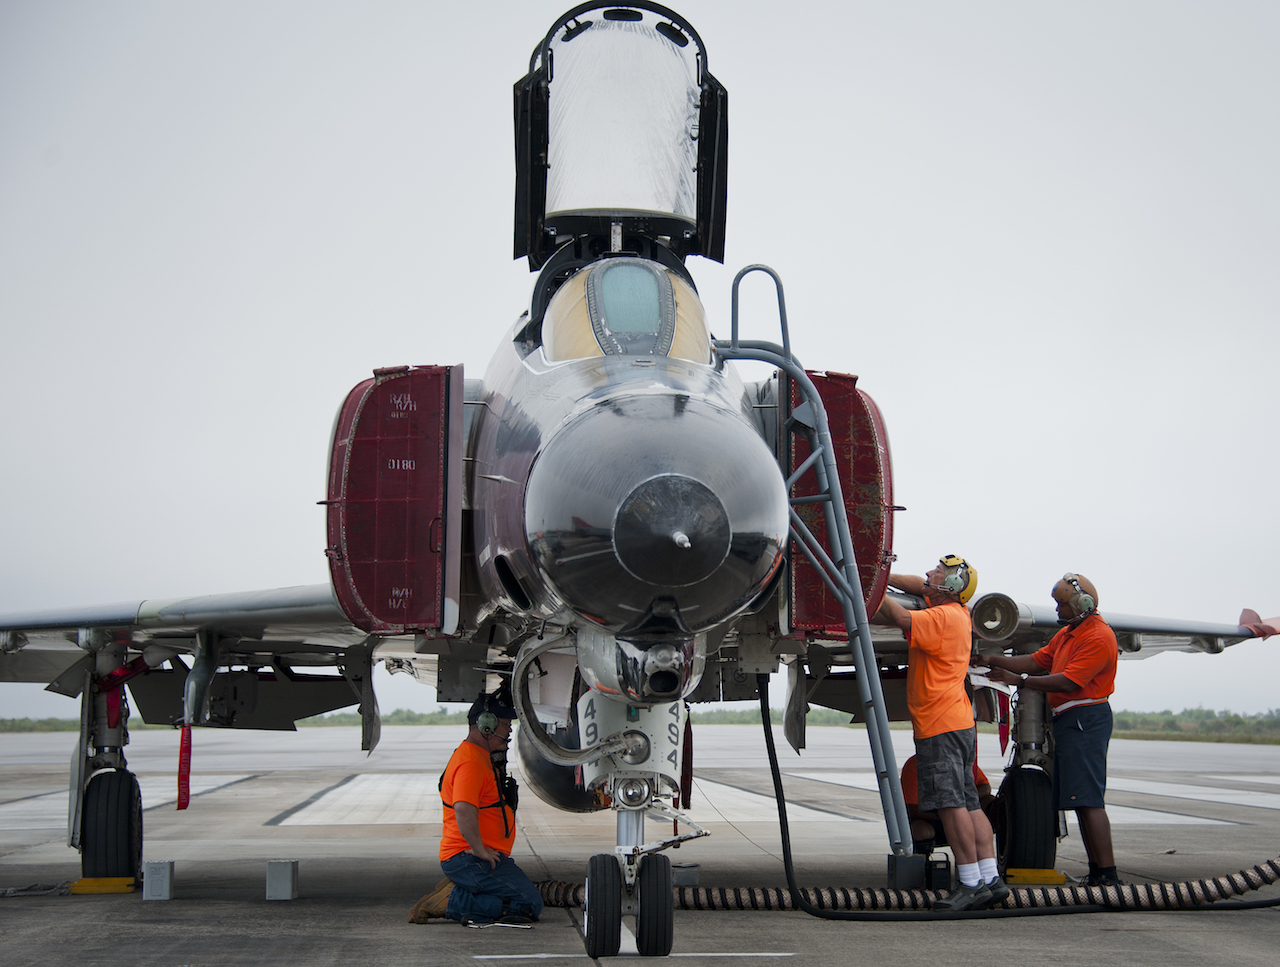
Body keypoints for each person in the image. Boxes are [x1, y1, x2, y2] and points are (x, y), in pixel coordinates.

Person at [872, 554, 1007, 911]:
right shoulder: (956, 611)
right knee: (970, 802)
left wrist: (865, 580)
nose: (929, 573)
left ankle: (968, 882)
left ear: (951, 586)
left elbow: (899, 617)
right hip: (958, 722)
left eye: (937, 572)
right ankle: (990, 877)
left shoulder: (942, 617)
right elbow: (918, 584)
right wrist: (884, 574)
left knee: (950, 804)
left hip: (939, 726)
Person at [975, 572, 1120, 887]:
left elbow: (1069, 680)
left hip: (1085, 719)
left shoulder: (1098, 636)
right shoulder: (1070, 633)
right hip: (1069, 720)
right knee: (1079, 798)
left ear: (1081, 604)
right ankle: (1097, 873)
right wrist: (991, 657)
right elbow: (1037, 660)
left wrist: (1020, 682)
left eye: (1062, 605)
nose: (1057, 611)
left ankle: (1108, 875)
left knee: (1089, 799)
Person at [409, 689, 544, 927]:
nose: (509, 730)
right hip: (468, 858)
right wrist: (479, 849)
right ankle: (451, 900)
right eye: (505, 724)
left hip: (476, 856)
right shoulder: (471, 762)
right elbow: (463, 809)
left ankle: (463, 890)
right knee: (528, 903)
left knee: (517, 898)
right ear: (486, 726)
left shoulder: (479, 757)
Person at [900, 754, 994, 854]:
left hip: (963, 811)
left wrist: (963, 803)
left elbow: (985, 787)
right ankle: (922, 863)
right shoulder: (915, 765)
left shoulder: (961, 760)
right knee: (921, 831)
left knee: (992, 804)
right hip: (930, 818)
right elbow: (911, 808)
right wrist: (945, 814)